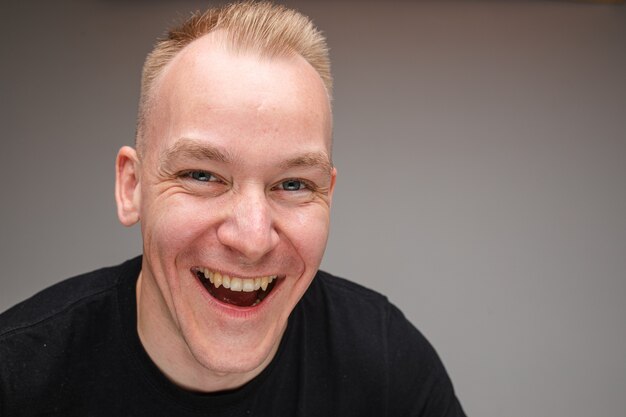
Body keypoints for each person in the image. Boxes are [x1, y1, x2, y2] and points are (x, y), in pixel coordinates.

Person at [0, 2, 466, 416]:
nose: (251, 238)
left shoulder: (388, 367)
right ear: (132, 186)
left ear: (328, 194)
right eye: (202, 175)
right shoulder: (17, 377)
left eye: (293, 184)